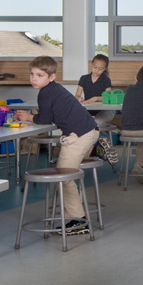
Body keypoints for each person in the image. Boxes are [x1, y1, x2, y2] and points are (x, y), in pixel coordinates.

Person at [27, 55, 104, 233]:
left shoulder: (45, 93)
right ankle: (97, 149)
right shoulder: (55, 89)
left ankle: (79, 221)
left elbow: (45, 119)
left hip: (78, 136)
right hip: (90, 131)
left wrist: (29, 117)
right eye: (32, 74)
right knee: (64, 168)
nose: (34, 79)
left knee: (64, 177)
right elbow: (52, 114)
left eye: (40, 75)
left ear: (51, 77)